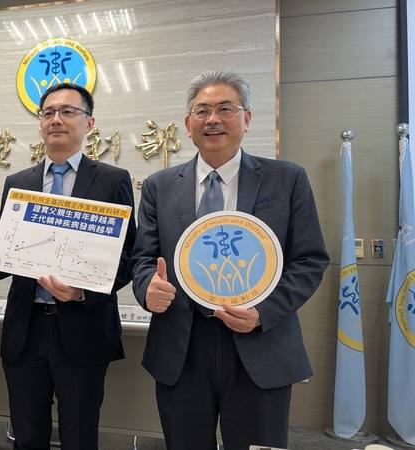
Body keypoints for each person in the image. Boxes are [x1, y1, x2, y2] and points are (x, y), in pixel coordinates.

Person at [131, 70, 329, 450]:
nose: (213, 119)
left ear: (247, 118)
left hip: (260, 343)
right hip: (182, 347)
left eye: (226, 108)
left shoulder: (286, 179)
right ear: (188, 124)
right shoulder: (159, 186)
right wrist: (147, 289)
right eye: (202, 111)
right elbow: (143, 257)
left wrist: (263, 311)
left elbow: (309, 260)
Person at [0, 83, 136, 450]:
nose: (56, 119)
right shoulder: (19, 183)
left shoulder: (113, 180)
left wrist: (83, 291)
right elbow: (12, 253)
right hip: (26, 329)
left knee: (80, 436)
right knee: (26, 434)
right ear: (40, 123)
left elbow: (128, 257)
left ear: (89, 122)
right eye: (48, 112)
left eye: (68, 112)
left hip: (83, 327)